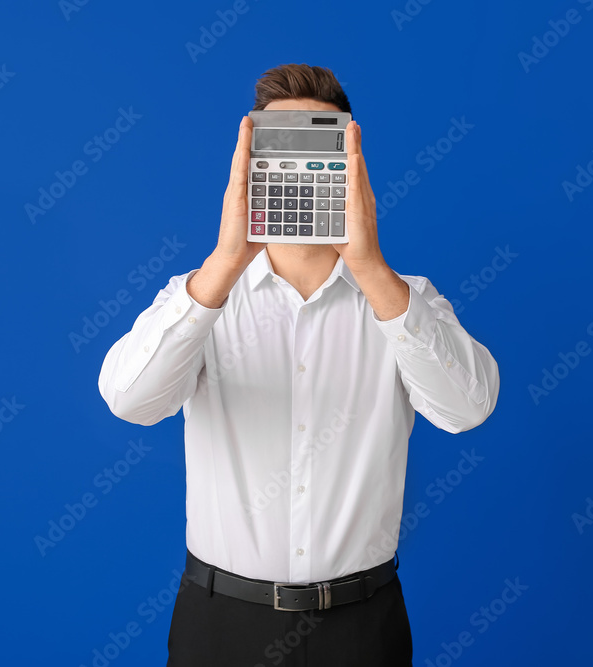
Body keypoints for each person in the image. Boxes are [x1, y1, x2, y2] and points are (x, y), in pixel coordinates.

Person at [97, 63, 500, 666]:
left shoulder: (406, 300)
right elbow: (131, 402)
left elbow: (467, 410)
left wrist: (370, 269)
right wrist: (224, 263)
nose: (298, 167)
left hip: (363, 626)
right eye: (278, 148)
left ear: (351, 164)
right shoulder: (198, 297)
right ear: (250, 167)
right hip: (220, 624)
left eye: (320, 145)